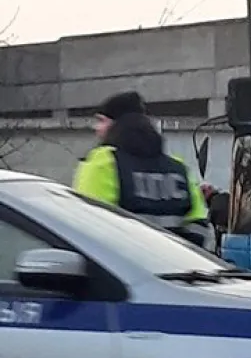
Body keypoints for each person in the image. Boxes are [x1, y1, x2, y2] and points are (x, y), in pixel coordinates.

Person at [73, 91, 212, 248]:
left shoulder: (103, 163)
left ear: (116, 125)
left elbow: (86, 227)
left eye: (101, 121)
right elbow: (199, 226)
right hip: (174, 266)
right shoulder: (178, 169)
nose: (96, 128)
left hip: (119, 268)